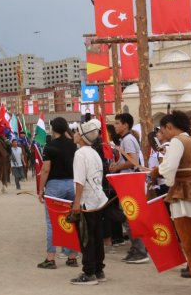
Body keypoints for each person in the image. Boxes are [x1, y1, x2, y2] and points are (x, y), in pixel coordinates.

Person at [150, 111, 191, 295]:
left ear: (169, 127)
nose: (162, 134)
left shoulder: (178, 140)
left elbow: (169, 167)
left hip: (184, 195)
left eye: (163, 130)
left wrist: (157, 172)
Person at [37, 117, 78, 269]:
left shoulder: (49, 147)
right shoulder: (74, 146)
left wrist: (41, 189)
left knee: (52, 223)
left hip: (55, 186)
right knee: (72, 221)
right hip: (72, 184)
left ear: (53, 130)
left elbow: (45, 169)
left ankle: (51, 258)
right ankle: (73, 257)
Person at [70, 121, 108, 285]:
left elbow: (79, 181)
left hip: (86, 201)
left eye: (76, 132)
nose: (74, 134)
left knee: (86, 238)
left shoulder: (80, 154)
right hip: (98, 200)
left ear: (82, 136)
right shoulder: (94, 152)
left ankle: (89, 273)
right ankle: (99, 270)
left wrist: (76, 203)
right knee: (97, 236)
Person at [109, 113, 149, 264]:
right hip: (128, 180)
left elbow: (132, 161)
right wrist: (117, 166)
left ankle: (140, 250)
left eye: (117, 123)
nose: (115, 126)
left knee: (130, 217)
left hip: (130, 181)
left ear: (125, 125)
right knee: (129, 216)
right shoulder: (125, 139)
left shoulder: (127, 139)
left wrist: (118, 167)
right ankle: (136, 248)